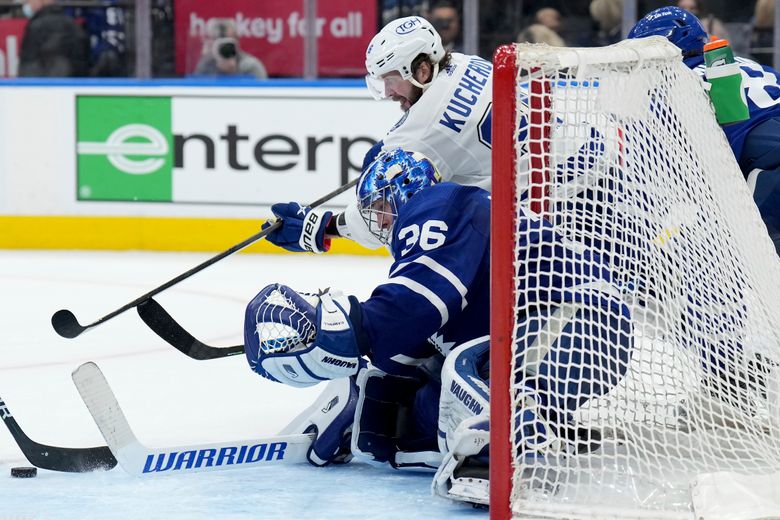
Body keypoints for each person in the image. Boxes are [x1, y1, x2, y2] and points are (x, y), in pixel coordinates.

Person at [243, 148, 633, 505]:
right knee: (424, 408)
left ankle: (506, 451)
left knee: (469, 380)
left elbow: (418, 301)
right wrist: (366, 401)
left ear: (404, 192)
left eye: (380, 206)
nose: (378, 221)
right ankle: (500, 432)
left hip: (578, 318)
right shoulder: (440, 227)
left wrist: (352, 328)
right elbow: (422, 337)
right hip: (535, 334)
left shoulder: (444, 203)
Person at [262, 15, 495, 254]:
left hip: (508, 229)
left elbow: (382, 219)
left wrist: (323, 227)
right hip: (528, 196)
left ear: (422, 70)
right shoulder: (466, 62)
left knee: (420, 228)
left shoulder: (422, 135)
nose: (388, 92)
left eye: (391, 80)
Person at [628, 6, 780, 255]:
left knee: (746, 260)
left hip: (771, 170)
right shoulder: (744, 64)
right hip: (768, 162)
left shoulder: (677, 83)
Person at [18, 0, 89, 77]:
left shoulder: (35, 27)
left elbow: (27, 66)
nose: (28, 3)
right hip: (72, 86)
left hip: (42, 85)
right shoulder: (73, 25)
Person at [193, 18, 268, 79]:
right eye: (218, 40)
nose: (223, 46)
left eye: (227, 41)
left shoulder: (251, 66)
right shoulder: (205, 66)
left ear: (237, 40)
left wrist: (233, 72)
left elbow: (260, 94)